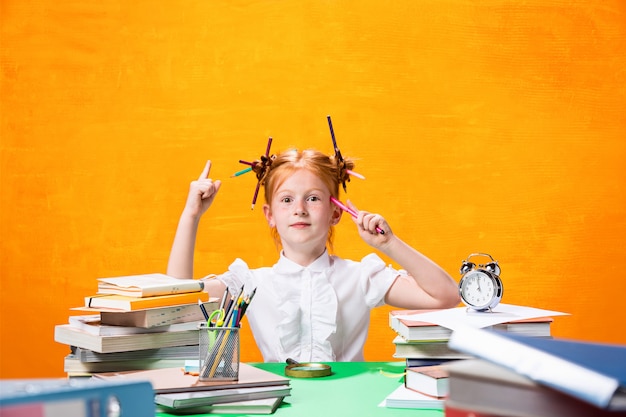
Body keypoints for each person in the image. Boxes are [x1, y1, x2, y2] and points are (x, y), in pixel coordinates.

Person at [167, 148, 460, 363]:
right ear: (269, 215)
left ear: (336, 213)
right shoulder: (251, 283)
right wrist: (190, 216)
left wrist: (390, 244)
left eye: (313, 198)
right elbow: (172, 301)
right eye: (286, 199)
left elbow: (445, 297)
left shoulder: (360, 277)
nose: (300, 209)